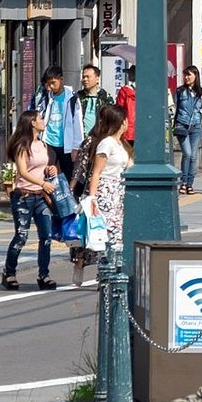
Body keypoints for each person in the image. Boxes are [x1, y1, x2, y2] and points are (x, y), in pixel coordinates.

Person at [1, 109, 57, 290]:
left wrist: (51, 170)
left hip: (41, 197)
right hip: (24, 195)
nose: (42, 121)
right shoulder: (21, 145)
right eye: (40, 118)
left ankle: (44, 275)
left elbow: (44, 166)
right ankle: (9, 273)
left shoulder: (43, 144)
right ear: (32, 122)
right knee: (21, 236)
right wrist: (42, 182)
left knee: (46, 236)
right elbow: (23, 172)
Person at [85, 103, 131, 268]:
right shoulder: (106, 143)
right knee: (109, 232)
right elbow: (96, 172)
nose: (128, 122)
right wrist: (92, 198)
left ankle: (113, 268)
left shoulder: (121, 144)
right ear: (119, 122)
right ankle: (105, 270)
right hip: (105, 191)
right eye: (125, 119)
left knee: (117, 231)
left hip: (118, 191)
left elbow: (130, 166)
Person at [173, 64, 202, 194]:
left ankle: (190, 184)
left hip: (196, 127)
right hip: (182, 125)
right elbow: (173, 107)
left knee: (193, 156)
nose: (186, 77)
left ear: (195, 76)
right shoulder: (180, 91)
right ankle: (183, 182)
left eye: (189, 75)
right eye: (185, 75)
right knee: (187, 153)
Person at [29, 66, 81, 172]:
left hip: (66, 144)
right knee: (47, 172)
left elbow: (77, 123)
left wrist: (76, 147)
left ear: (61, 79)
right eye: (48, 84)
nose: (51, 87)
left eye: (53, 83)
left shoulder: (72, 98)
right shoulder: (45, 97)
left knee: (67, 173)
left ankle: (67, 189)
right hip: (48, 141)